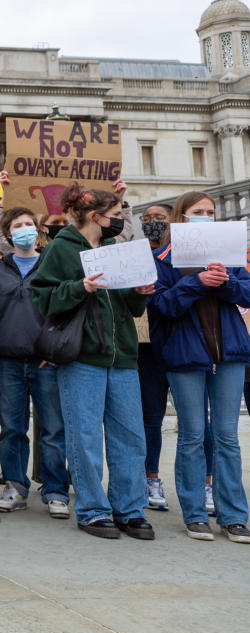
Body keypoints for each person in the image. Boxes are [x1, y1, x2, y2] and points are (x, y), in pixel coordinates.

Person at [31, 183, 155, 540]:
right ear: (94, 216)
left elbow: (131, 309)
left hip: (124, 356)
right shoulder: (60, 249)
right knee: (85, 436)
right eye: (115, 216)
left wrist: (140, 293)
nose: (119, 221)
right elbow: (43, 300)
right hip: (82, 355)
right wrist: (80, 288)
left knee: (130, 436)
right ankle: (92, 509)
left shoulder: (116, 248)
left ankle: (129, 509)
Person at [148, 192, 250, 543]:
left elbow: (248, 294)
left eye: (210, 211)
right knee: (192, 435)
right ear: (181, 217)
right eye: (197, 212)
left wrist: (228, 283)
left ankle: (234, 516)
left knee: (227, 437)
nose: (205, 216)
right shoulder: (162, 256)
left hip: (229, 354)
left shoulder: (231, 253)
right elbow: (159, 305)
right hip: (184, 355)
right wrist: (196, 282)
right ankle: (195, 514)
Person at [0, 207, 70, 518]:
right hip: (7, 360)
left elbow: (64, 312)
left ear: (37, 231)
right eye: (17, 225)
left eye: (29, 223)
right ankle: (15, 486)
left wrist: (54, 353)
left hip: (45, 362)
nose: (24, 228)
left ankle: (55, 490)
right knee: (12, 428)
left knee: (52, 429)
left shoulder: (53, 267)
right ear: (8, 235)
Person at [138, 202, 173, 511]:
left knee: (196, 421)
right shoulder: (135, 256)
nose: (152, 223)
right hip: (146, 348)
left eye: (159, 218)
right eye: (146, 218)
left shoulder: (185, 257)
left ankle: (207, 483)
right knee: (151, 417)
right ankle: (151, 477)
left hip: (181, 344)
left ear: (172, 221)